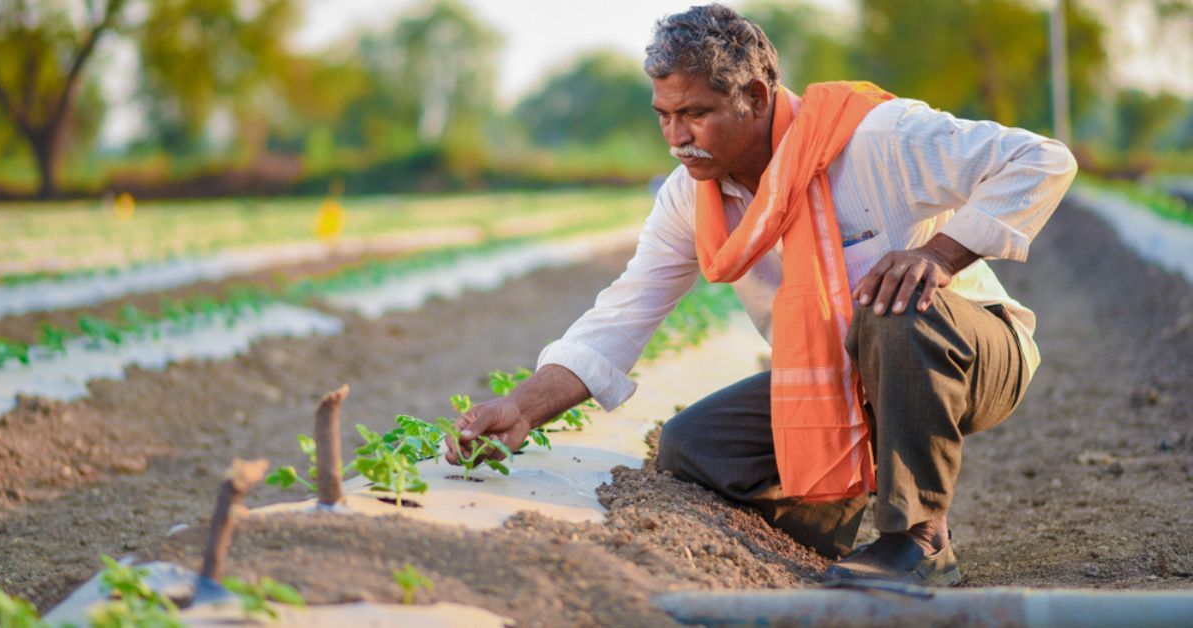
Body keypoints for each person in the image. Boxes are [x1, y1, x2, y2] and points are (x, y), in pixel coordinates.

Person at [445, 3, 1076, 586]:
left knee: (889, 309)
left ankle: (918, 538)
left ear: (754, 95)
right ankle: (826, 529)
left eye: (694, 114)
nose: (676, 136)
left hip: (965, 355)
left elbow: (1042, 161)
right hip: (848, 375)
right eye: (664, 115)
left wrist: (938, 255)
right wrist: (523, 408)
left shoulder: (876, 140)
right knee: (693, 446)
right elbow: (624, 310)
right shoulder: (690, 199)